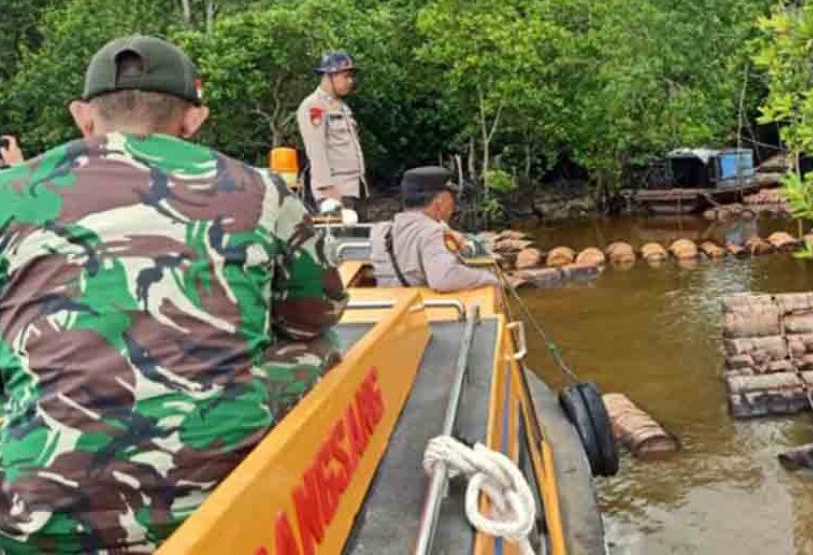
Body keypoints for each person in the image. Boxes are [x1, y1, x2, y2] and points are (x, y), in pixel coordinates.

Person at [0, 35, 349, 553]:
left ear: (82, 116)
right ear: (193, 120)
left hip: (32, 522)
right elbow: (316, 314)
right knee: (319, 348)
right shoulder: (261, 189)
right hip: (211, 502)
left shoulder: (12, 192)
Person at [370, 166, 507, 292]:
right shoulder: (432, 232)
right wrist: (489, 278)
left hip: (388, 304)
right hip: (420, 310)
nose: (454, 205)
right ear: (440, 202)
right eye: (452, 198)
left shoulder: (380, 231)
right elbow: (443, 278)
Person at [295, 50, 367, 212]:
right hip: (335, 190)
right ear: (329, 76)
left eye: (351, 77)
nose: (350, 81)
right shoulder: (314, 106)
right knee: (342, 237)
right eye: (345, 76)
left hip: (353, 188)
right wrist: (327, 190)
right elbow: (316, 150)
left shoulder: (342, 106)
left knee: (360, 236)